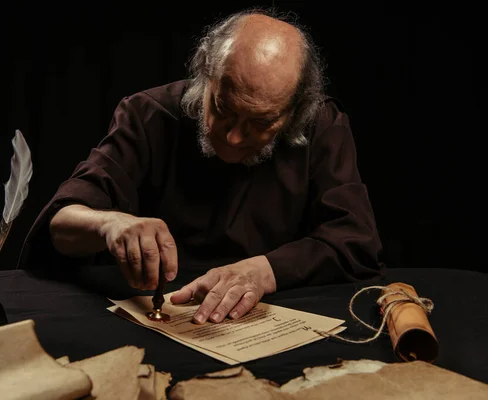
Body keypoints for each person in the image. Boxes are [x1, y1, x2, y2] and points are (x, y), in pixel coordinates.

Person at [20, 8, 385, 325]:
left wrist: (264, 271)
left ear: (295, 111)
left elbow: (355, 243)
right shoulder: (146, 115)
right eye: (223, 110)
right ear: (205, 75)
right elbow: (61, 223)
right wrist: (109, 223)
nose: (234, 138)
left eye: (261, 123)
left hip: (274, 318)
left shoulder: (321, 125)